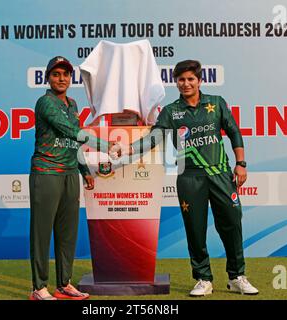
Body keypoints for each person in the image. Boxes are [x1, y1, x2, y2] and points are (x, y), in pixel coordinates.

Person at [110, 60, 259, 296]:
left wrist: (241, 164)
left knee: (232, 224)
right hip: (189, 178)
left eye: (191, 79)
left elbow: (234, 132)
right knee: (195, 229)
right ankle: (203, 278)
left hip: (220, 174)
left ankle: (237, 276)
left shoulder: (216, 103)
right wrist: (127, 149)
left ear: (200, 81)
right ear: (176, 82)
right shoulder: (171, 111)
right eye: (181, 79)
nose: (186, 83)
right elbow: (154, 137)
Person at [29, 56, 110, 300]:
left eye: (65, 74)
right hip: (47, 172)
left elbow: (73, 142)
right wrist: (105, 145)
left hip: (69, 173)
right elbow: (70, 131)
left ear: (70, 78)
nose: (61, 79)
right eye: (56, 74)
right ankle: (39, 287)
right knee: (42, 232)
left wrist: (84, 170)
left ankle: (64, 284)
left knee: (67, 233)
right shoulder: (45, 102)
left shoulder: (72, 104)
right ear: (48, 78)